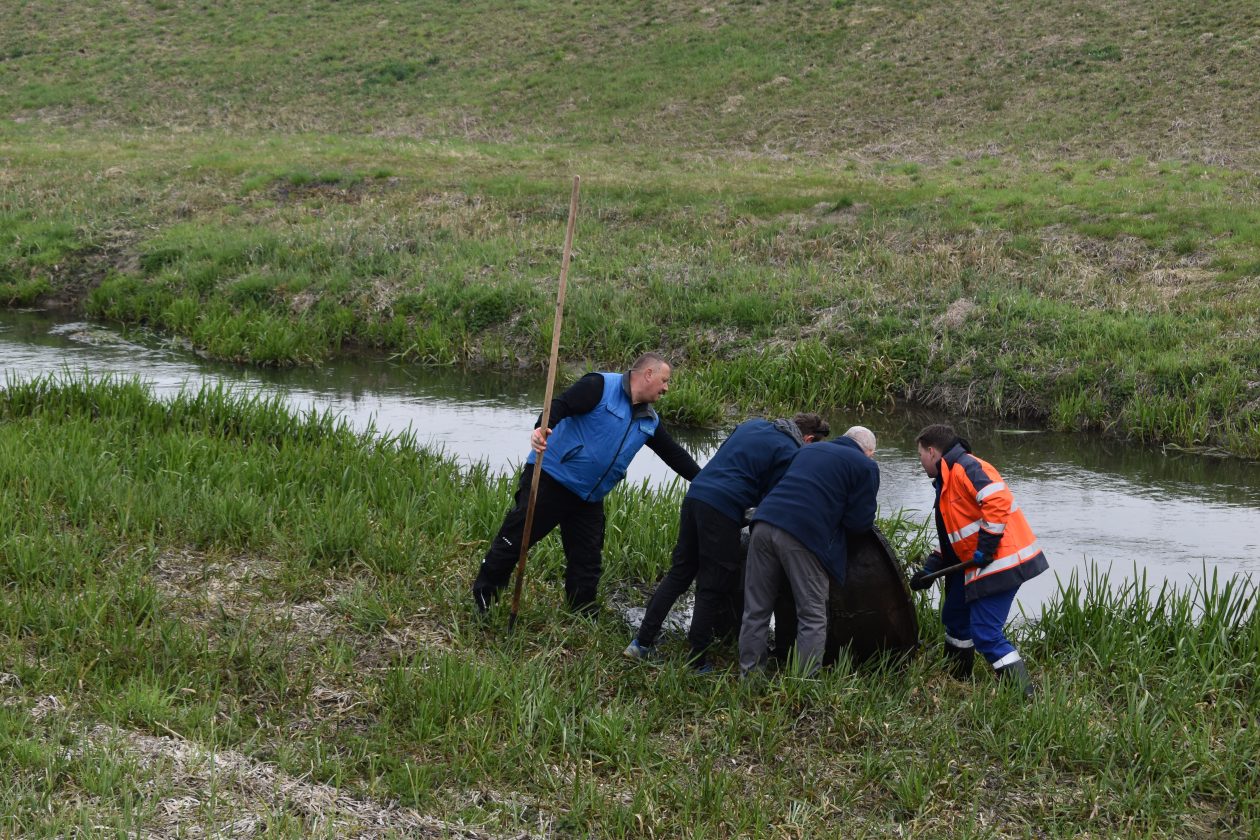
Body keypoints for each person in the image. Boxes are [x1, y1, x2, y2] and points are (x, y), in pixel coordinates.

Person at [472, 352, 700, 615]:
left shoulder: (649, 420)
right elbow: (559, 405)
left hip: (588, 497)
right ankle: (484, 598)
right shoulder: (600, 386)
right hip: (551, 479)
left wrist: (707, 480)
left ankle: (581, 609)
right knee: (516, 539)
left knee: (587, 558)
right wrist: (541, 429)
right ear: (648, 374)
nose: (666, 387)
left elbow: (674, 455)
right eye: (664, 380)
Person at [624, 412, 832, 671]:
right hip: (722, 509)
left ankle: (641, 643)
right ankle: (696, 660)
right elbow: (773, 497)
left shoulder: (753, 424)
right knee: (712, 584)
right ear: (808, 438)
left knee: (680, 573)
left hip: (696, 495)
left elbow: (726, 459)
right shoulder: (790, 449)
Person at [907, 424, 1048, 697]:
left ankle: (1025, 697)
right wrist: (930, 568)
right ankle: (957, 677)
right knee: (955, 618)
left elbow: (997, 501)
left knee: (985, 633)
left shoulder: (967, 467)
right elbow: (954, 536)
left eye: (920, 454)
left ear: (932, 451)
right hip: (978, 561)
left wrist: (986, 547)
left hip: (1001, 561)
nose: (920, 461)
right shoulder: (947, 479)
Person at [739, 426, 880, 677]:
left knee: (756, 607)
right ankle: (803, 682)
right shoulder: (865, 465)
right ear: (868, 451)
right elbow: (860, 523)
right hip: (803, 535)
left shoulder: (809, 449)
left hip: (762, 523)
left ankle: (749, 675)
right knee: (812, 614)